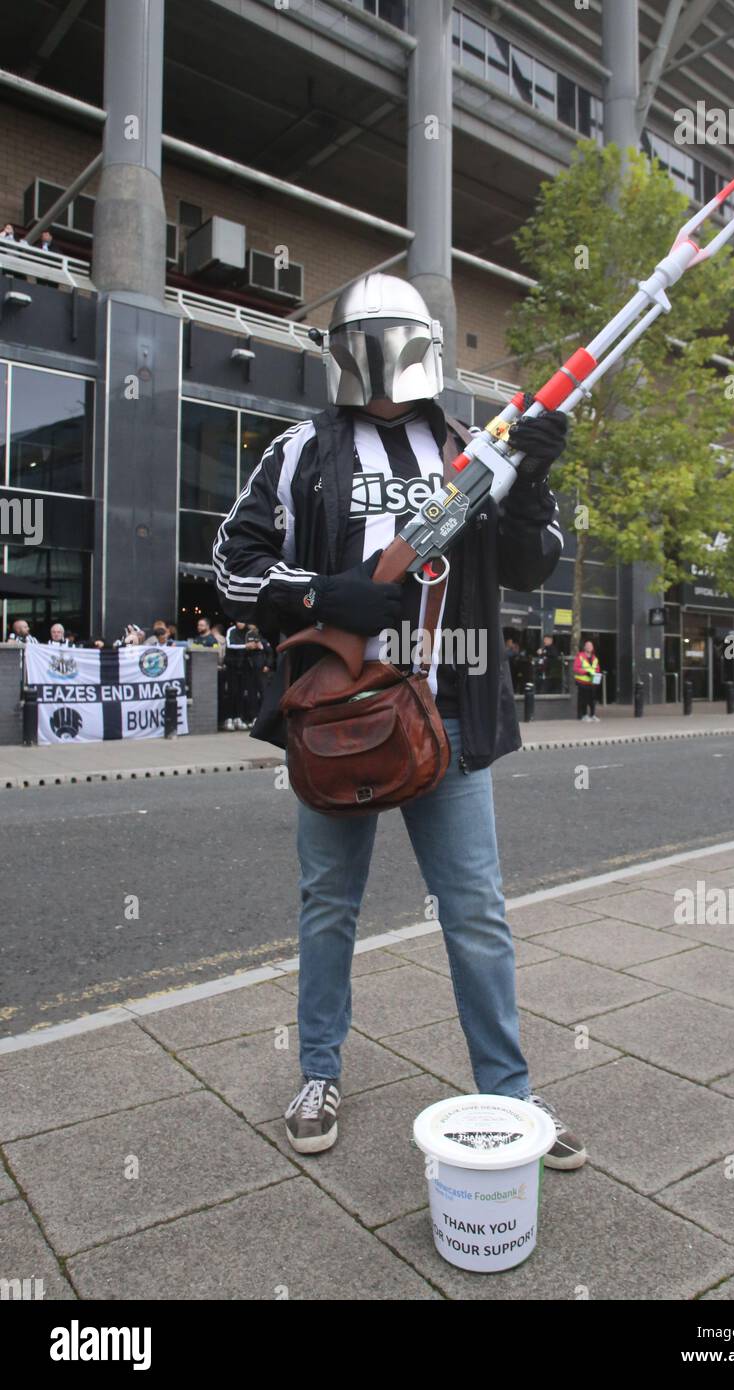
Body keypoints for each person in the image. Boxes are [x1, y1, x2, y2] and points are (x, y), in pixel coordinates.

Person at [212, 271, 583, 1169]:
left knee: (476, 911)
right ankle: (318, 1071)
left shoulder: (473, 450)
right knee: (327, 906)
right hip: (333, 710)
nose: (379, 361)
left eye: (394, 340)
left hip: (447, 711)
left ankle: (511, 1094)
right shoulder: (301, 450)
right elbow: (231, 562)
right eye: (363, 340)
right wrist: (313, 590)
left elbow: (538, 563)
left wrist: (530, 481)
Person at [573, 639, 601, 721]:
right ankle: (583, 715)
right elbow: (576, 668)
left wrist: (596, 675)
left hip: (592, 682)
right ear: (584, 647)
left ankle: (592, 715)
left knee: (592, 700)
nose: (589, 647)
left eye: (591, 646)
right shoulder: (580, 656)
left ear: (593, 648)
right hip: (582, 682)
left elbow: (597, 669)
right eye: (588, 646)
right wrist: (586, 672)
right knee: (583, 700)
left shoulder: (595, 658)